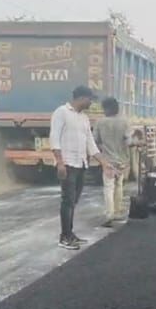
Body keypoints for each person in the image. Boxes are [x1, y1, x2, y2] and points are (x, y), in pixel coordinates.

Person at [50, 86, 100, 250]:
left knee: (73, 201)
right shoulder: (61, 112)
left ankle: (70, 233)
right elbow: (54, 139)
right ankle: (64, 237)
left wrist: (104, 162)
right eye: (90, 99)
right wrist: (60, 162)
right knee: (67, 200)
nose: (91, 102)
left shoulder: (84, 118)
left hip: (81, 164)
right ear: (81, 98)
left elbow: (90, 142)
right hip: (68, 163)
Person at [93, 97, 132, 227]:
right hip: (121, 160)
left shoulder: (100, 123)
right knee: (119, 185)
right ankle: (117, 211)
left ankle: (109, 215)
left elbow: (95, 141)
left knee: (108, 187)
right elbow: (128, 142)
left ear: (106, 109)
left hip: (108, 161)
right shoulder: (124, 122)